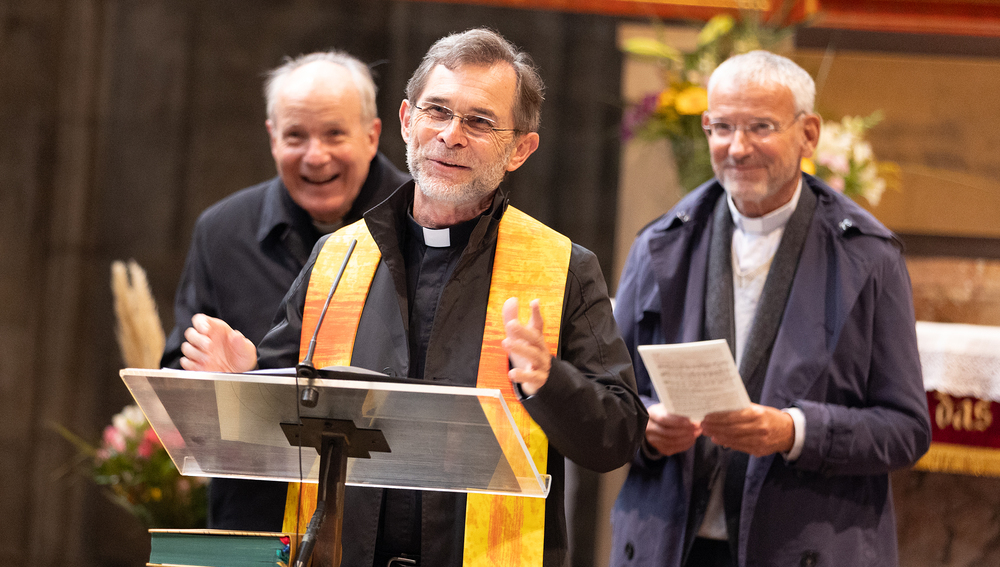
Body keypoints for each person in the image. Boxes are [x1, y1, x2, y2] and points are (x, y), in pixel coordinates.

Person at [178, 28, 647, 567]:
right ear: (406, 120)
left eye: (480, 121)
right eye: (437, 111)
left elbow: (617, 438)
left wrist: (549, 381)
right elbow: (283, 426)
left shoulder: (564, 267)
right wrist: (244, 381)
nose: (451, 135)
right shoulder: (338, 256)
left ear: (521, 149)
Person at [609, 51, 930, 567]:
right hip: (668, 543)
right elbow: (609, 397)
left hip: (805, 545)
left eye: (761, 126)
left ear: (809, 133)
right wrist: (645, 424)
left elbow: (907, 429)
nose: (738, 148)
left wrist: (794, 431)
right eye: (723, 127)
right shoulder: (660, 245)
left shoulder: (867, 257)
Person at [160, 50, 410, 531]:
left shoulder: (421, 225)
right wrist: (221, 380)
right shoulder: (222, 231)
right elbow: (178, 383)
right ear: (273, 137)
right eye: (296, 135)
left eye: (335, 133)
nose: (316, 156)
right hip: (255, 514)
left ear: (373, 134)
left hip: (379, 521)